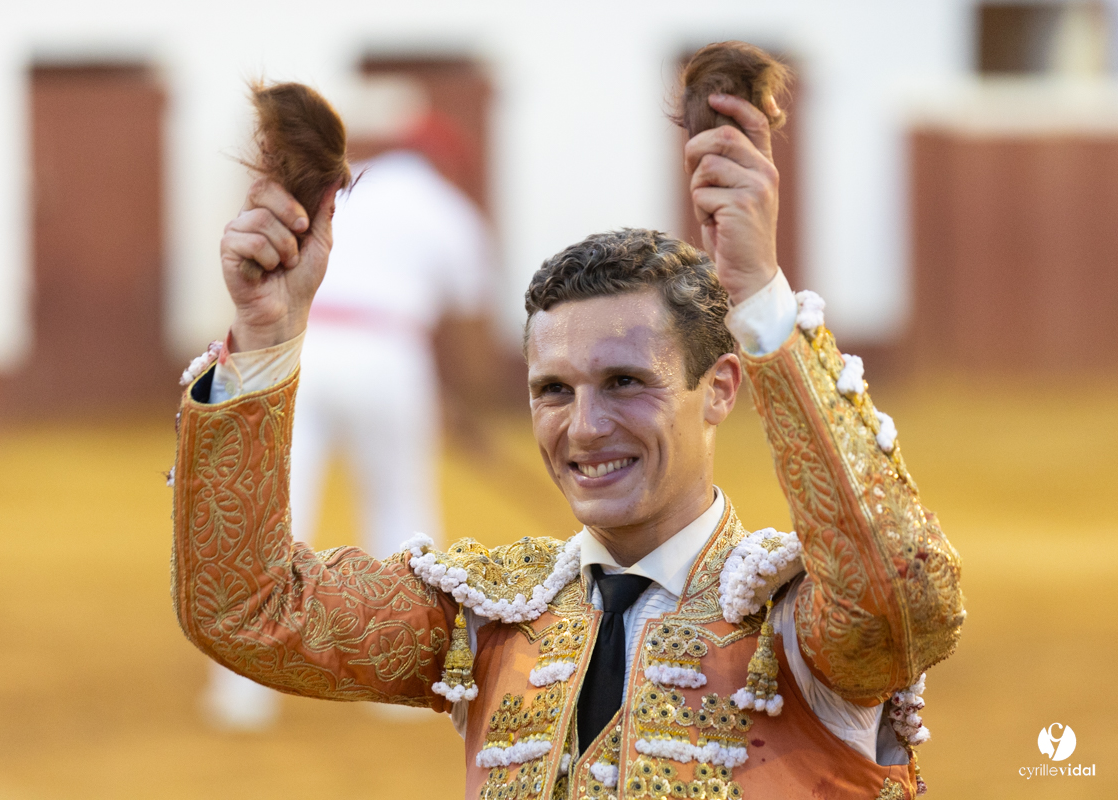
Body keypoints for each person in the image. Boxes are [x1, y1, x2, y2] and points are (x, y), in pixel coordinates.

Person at [171, 90, 964, 798]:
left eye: (625, 382)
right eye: (554, 390)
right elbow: (249, 609)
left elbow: (903, 595)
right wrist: (267, 335)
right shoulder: (491, 619)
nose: (584, 428)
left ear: (722, 386)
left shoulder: (796, 624)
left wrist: (762, 304)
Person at [202, 115, 493, 729]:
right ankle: (415, 684)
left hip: (307, 343)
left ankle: (241, 694)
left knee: (275, 505)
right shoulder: (451, 210)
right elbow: (467, 329)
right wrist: (464, 409)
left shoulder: (353, 193)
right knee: (400, 507)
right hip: (392, 353)